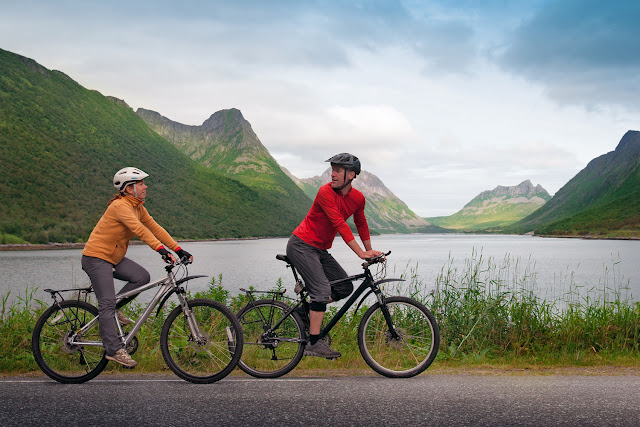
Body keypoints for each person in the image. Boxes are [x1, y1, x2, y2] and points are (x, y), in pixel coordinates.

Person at [81, 167, 192, 367]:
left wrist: (177, 249)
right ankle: (114, 350)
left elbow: (154, 227)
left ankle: (113, 310)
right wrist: (160, 250)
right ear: (129, 187)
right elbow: (139, 229)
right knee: (106, 304)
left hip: (113, 258)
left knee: (141, 277)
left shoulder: (138, 207)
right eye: (141, 183)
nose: (145, 186)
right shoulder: (120, 206)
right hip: (96, 258)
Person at [286, 153, 382, 358]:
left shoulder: (358, 198)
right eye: (333, 170)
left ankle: (304, 313)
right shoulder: (324, 192)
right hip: (301, 245)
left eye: (337, 170)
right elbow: (340, 224)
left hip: (319, 249)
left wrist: (369, 250)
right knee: (321, 289)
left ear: (351, 174)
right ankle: (313, 343)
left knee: (344, 286)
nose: (332, 174)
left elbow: (361, 223)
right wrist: (361, 254)